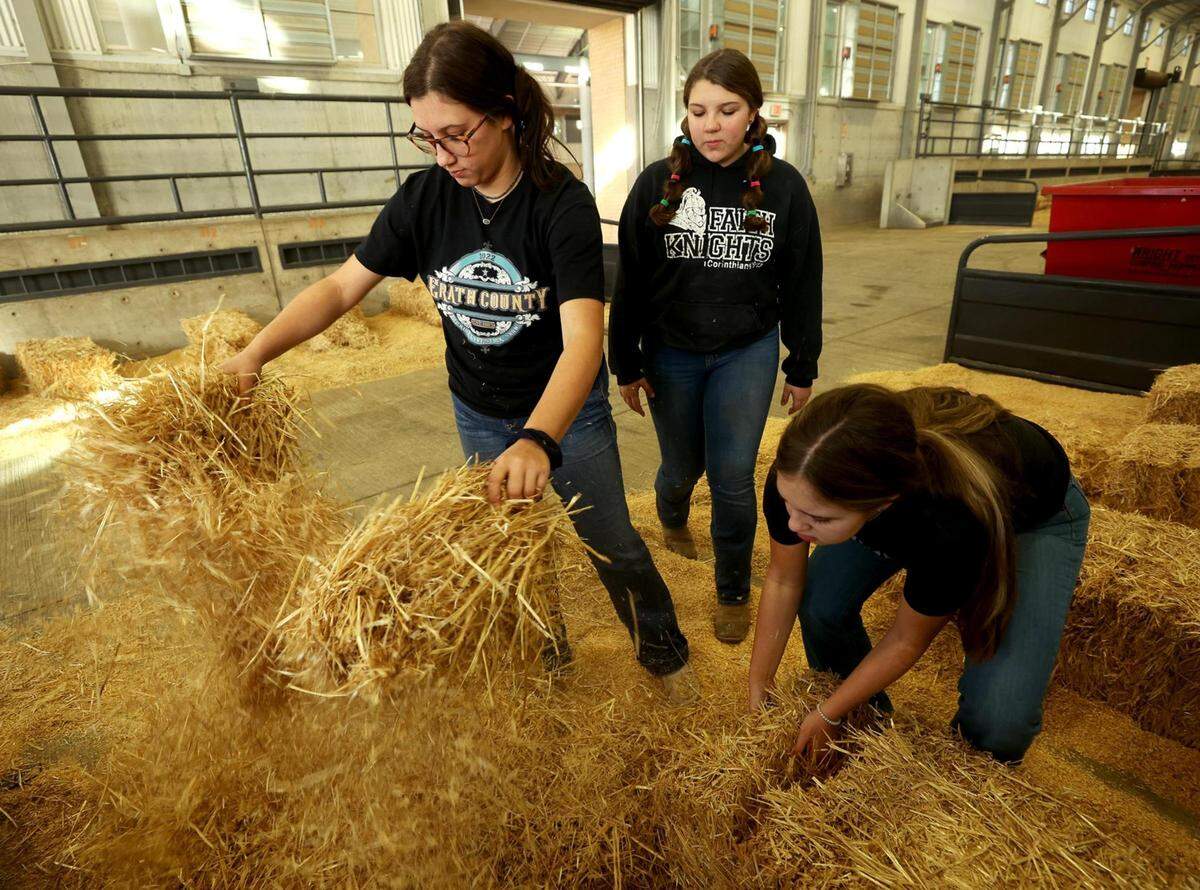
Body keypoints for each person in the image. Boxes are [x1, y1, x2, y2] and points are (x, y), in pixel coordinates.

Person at [219, 22, 696, 703]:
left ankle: (662, 652)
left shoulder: (559, 205)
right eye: (427, 137)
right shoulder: (425, 200)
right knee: (512, 552)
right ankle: (549, 664)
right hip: (478, 411)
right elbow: (339, 289)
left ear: (505, 113)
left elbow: (584, 340)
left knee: (611, 542)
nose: (443, 154)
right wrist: (255, 352)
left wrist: (539, 437)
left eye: (457, 133)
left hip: (565, 413)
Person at [748, 384, 1089, 764]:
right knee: (821, 604)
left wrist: (828, 712)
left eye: (818, 518)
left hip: (1032, 516)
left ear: (881, 504)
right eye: (789, 504)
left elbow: (906, 639)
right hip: (893, 502)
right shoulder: (800, 475)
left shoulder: (949, 522)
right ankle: (869, 721)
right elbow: (783, 579)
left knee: (999, 723)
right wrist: (760, 687)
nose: (794, 524)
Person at [608, 48, 822, 645]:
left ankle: (731, 587)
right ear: (686, 115)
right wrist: (625, 360)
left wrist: (801, 361)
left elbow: (804, 277)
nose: (711, 124)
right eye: (698, 110)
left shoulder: (784, 189)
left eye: (727, 110)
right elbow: (630, 278)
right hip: (671, 350)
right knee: (682, 466)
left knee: (731, 477)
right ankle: (672, 515)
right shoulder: (658, 183)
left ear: (753, 114)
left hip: (746, 351)